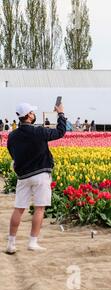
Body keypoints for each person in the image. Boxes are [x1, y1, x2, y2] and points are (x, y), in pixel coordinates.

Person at [5, 102, 66, 254]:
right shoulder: (38, 131)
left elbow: (13, 154)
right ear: (29, 115)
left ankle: (11, 244)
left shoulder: (12, 136)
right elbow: (60, 132)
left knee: (18, 209)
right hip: (41, 174)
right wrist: (61, 114)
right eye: (32, 112)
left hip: (23, 176)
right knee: (39, 208)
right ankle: (33, 242)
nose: (34, 114)